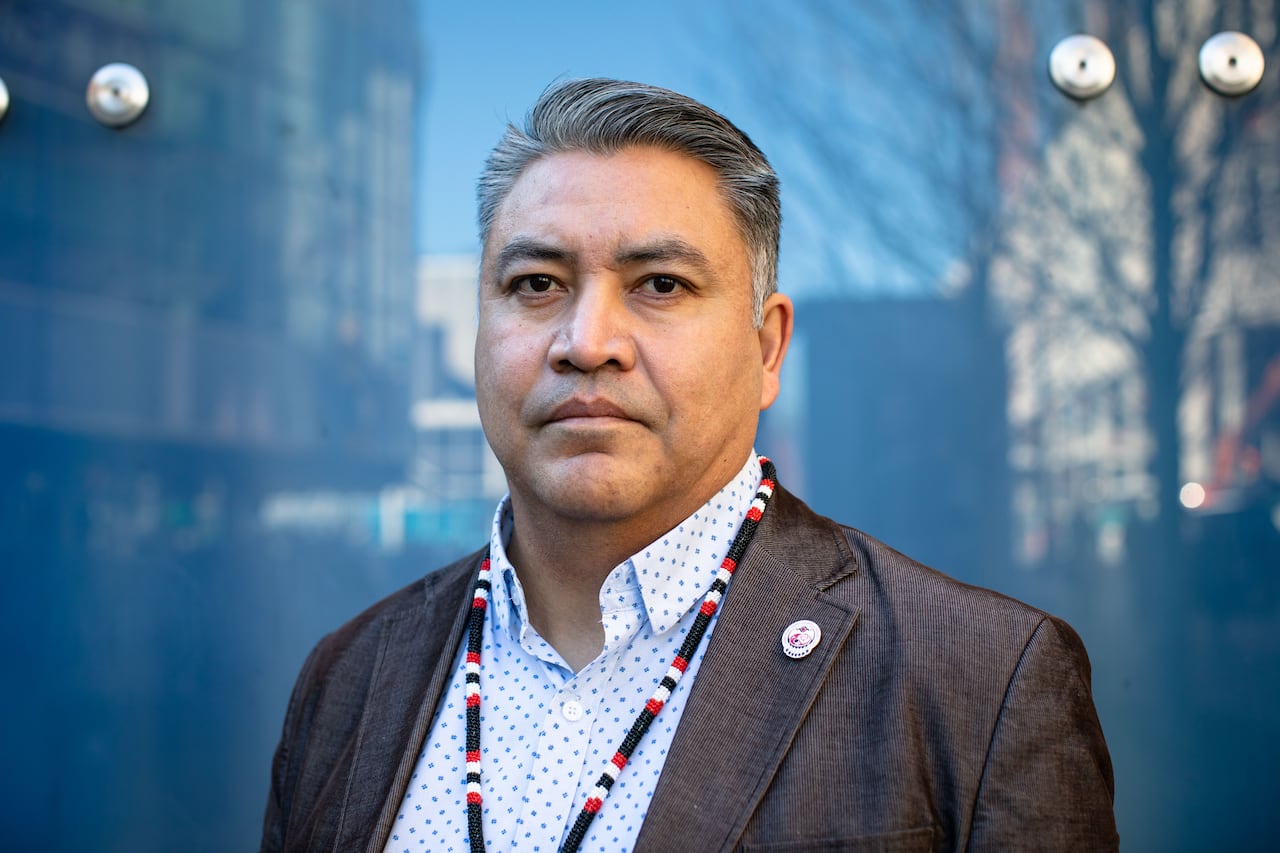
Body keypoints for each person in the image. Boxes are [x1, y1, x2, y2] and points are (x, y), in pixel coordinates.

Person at [261, 78, 1117, 852]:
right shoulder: (350, 676)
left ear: (766, 346)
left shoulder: (981, 681)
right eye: (535, 283)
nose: (587, 343)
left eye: (660, 284)